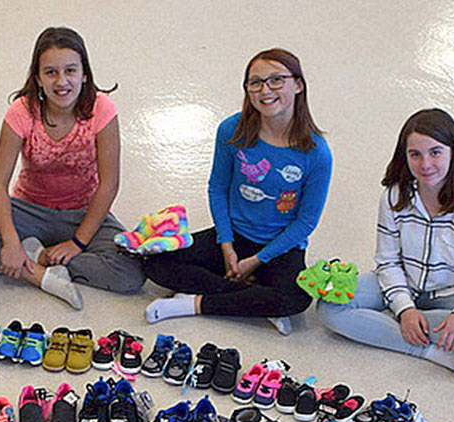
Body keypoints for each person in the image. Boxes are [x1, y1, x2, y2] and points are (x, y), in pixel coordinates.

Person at [142, 49, 331, 335]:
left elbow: (305, 222)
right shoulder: (232, 130)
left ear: (298, 85)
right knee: (156, 263)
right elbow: (217, 188)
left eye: (276, 80)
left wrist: (256, 261)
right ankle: (251, 301)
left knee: (298, 298)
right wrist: (226, 245)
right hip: (235, 236)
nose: (265, 90)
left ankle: (194, 304)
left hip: (281, 246)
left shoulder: (316, 153)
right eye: (255, 83)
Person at [0, 26, 143, 309]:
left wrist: (77, 244)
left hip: (83, 213)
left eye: (70, 70)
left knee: (131, 273)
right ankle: (39, 271)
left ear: (84, 74)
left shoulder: (102, 109)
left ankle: (34, 259)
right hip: (28, 209)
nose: (62, 81)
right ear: (38, 78)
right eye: (51, 72)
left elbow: (109, 185)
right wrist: (10, 240)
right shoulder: (21, 111)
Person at [317, 108, 454, 380]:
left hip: (450, 293)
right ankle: (426, 350)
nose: (425, 164)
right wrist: (405, 307)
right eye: (415, 154)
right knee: (330, 306)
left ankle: (397, 327)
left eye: (435, 152)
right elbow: (388, 262)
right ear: (404, 157)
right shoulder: (393, 197)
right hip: (402, 283)